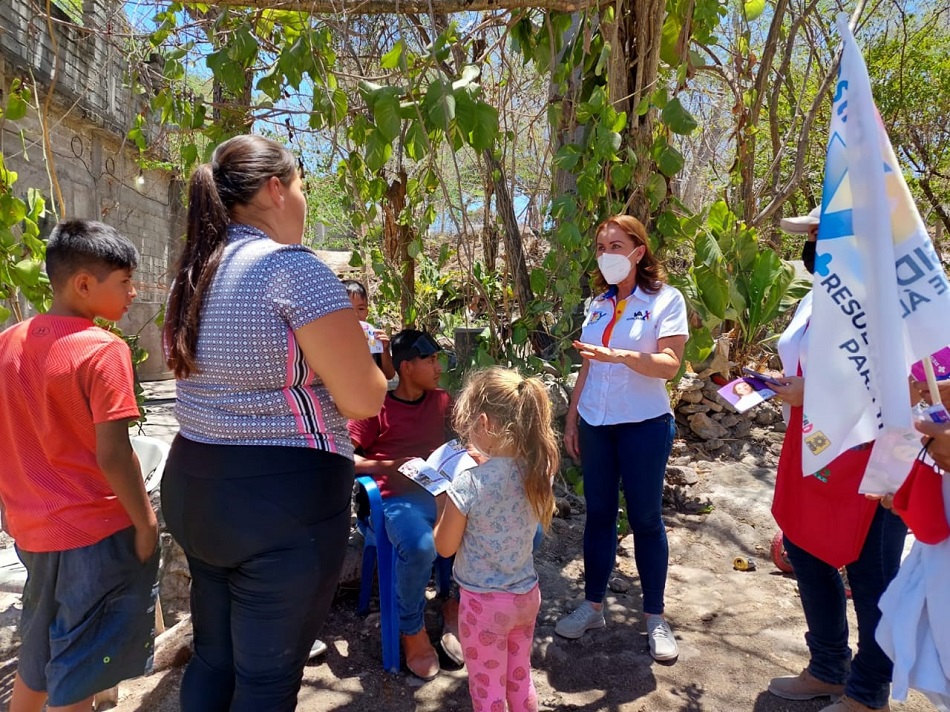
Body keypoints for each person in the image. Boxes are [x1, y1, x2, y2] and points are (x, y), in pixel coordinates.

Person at [160, 135, 387, 712]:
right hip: (281, 503)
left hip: (195, 486)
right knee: (266, 681)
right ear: (275, 189)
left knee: (214, 659)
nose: (304, 201)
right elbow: (363, 399)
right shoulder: (292, 270)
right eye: (303, 187)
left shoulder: (195, 271)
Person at [0, 220, 159, 712]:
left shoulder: (8, 343)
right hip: (94, 531)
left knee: (39, 650)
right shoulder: (103, 349)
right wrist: (146, 522)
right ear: (84, 284)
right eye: (124, 281)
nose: (133, 292)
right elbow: (113, 454)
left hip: (32, 530)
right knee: (82, 665)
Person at [766, 209, 907, 712]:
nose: (812, 243)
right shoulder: (814, 296)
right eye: (810, 235)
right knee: (806, 551)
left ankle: (869, 694)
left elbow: (906, 385)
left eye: (821, 233)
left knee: (873, 575)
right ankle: (828, 667)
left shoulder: (890, 302)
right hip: (813, 446)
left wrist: (813, 391)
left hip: (875, 454)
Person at [557, 214, 689, 662]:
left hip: (644, 425)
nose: (606, 254)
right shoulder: (597, 304)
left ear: (638, 250)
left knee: (646, 519)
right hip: (596, 423)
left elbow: (670, 364)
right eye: (601, 247)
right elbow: (588, 365)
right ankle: (592, 606)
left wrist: (621, 356)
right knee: (598, 515)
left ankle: (655, 618)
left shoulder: (665, 299)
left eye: (616, 245)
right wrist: (573, 419)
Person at [434, 367, 558, 712]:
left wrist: (441, 501)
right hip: (526, 597)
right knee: (520, 679)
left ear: (484, 423)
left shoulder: (469, 483)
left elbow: (444, 546)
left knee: (487, 692)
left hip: (483, 606)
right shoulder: (539, 471)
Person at [348, 328, 455, 680]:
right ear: (406, 367)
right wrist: (389, 467)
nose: (438, 368)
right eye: (430, 360)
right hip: (391, 501)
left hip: (439, 493)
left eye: (438, 359)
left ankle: (454, 604)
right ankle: (411, 628)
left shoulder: (442, 401)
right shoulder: (375, 407)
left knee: (478, 524)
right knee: (420, 546)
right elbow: (344, 458)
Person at [342, 279, 396, 380]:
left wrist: (384, 349)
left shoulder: (373, 337)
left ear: (367, 312)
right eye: (348, 309)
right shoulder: (332, 337)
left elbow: (389, 375)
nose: (355, 314)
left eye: (361, 309)